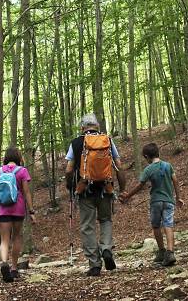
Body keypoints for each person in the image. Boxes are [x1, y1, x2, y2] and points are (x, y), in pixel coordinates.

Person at [65, 113, 126, 276]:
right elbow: (118, 165)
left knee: (87, 226)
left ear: (82, 128)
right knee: (106, 220)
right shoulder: (107, 140)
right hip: (106, 189)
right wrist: (122, 187)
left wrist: (69, 186)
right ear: (97, 126)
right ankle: (106, 248)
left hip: (84, 190)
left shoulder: (76, 143)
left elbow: (69, 169)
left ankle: (94, 264)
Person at [119, 142, 183, 266]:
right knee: (168, 225)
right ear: (158, 153)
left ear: (147, 157)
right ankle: (170, 252)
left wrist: (127, 196)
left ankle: (161, 251)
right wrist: (178, 198)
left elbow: (140, 185)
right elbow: (175, 181)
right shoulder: (168, 166)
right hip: (169, 201)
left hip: (156, 202)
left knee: (156, 226)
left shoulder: (148, 169)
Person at [0, 146, 37, 282]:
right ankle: (14, 268)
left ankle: (4, 262)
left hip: (4, 209)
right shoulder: (22, 171)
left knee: (4, 239)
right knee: (16, 237)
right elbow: (26, 192)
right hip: (18, 209)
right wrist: (31, 211)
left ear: (6, 157)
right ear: (18, 157)